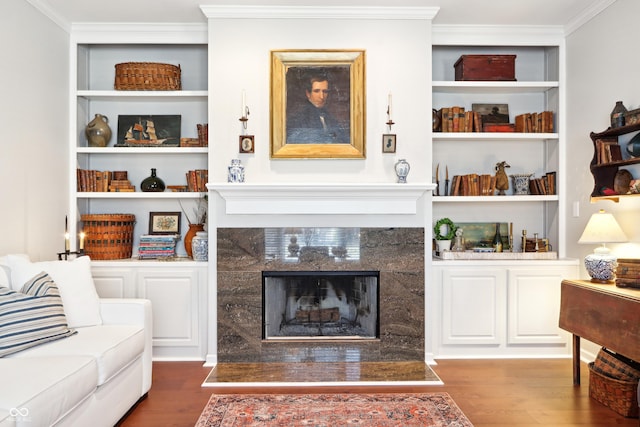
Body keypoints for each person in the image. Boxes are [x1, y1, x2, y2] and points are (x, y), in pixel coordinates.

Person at [286, 72, 350, 144]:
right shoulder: (297, 120)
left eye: (325, 91)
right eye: (316, 91)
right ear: (308, 94)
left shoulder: (331, 118)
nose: (322, 97)